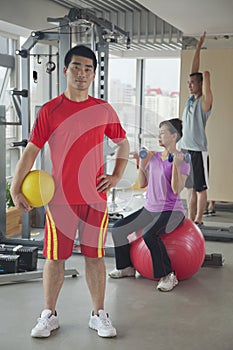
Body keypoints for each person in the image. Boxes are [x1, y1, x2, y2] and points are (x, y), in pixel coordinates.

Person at [10, 45, 129, 338]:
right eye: (76, 66)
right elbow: (30, 152)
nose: (82, 73)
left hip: (95, 200)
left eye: (88, 68)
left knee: (95, 257)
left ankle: (98, 313)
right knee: (54, 257)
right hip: (59, 200)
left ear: (93, 74)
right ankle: (49, 314)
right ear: (65, 70)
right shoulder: (50, 110)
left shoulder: (103, 109)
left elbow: (123, 143)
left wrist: (116, 175)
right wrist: (15, 187)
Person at [109, 119, 190, 292]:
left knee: (149, 235)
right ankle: (126, 267)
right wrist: (142, 164)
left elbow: (176, 189)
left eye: (163, 132)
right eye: (158, 132)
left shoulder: (183, 159)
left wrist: (176, 165)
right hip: (150, 208)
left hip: (172, 210)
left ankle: (169, 275)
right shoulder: (154, 158)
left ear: (174, 136)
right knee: (118, 228)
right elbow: (142, 183)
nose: (159, 136)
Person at [180, 32, 213, 226]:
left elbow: (203, 78)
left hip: (199, 151)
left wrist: (206, 76)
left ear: (201, 84)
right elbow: (194, 71)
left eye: (193, 83)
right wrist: (198, 48)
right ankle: (189, 220)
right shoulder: (191, 99)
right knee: (189, 188)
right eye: (189, 83)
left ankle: (199, 220)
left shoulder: (204, 102)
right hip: (185, 150)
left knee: (200, 188)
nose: (190, 85)